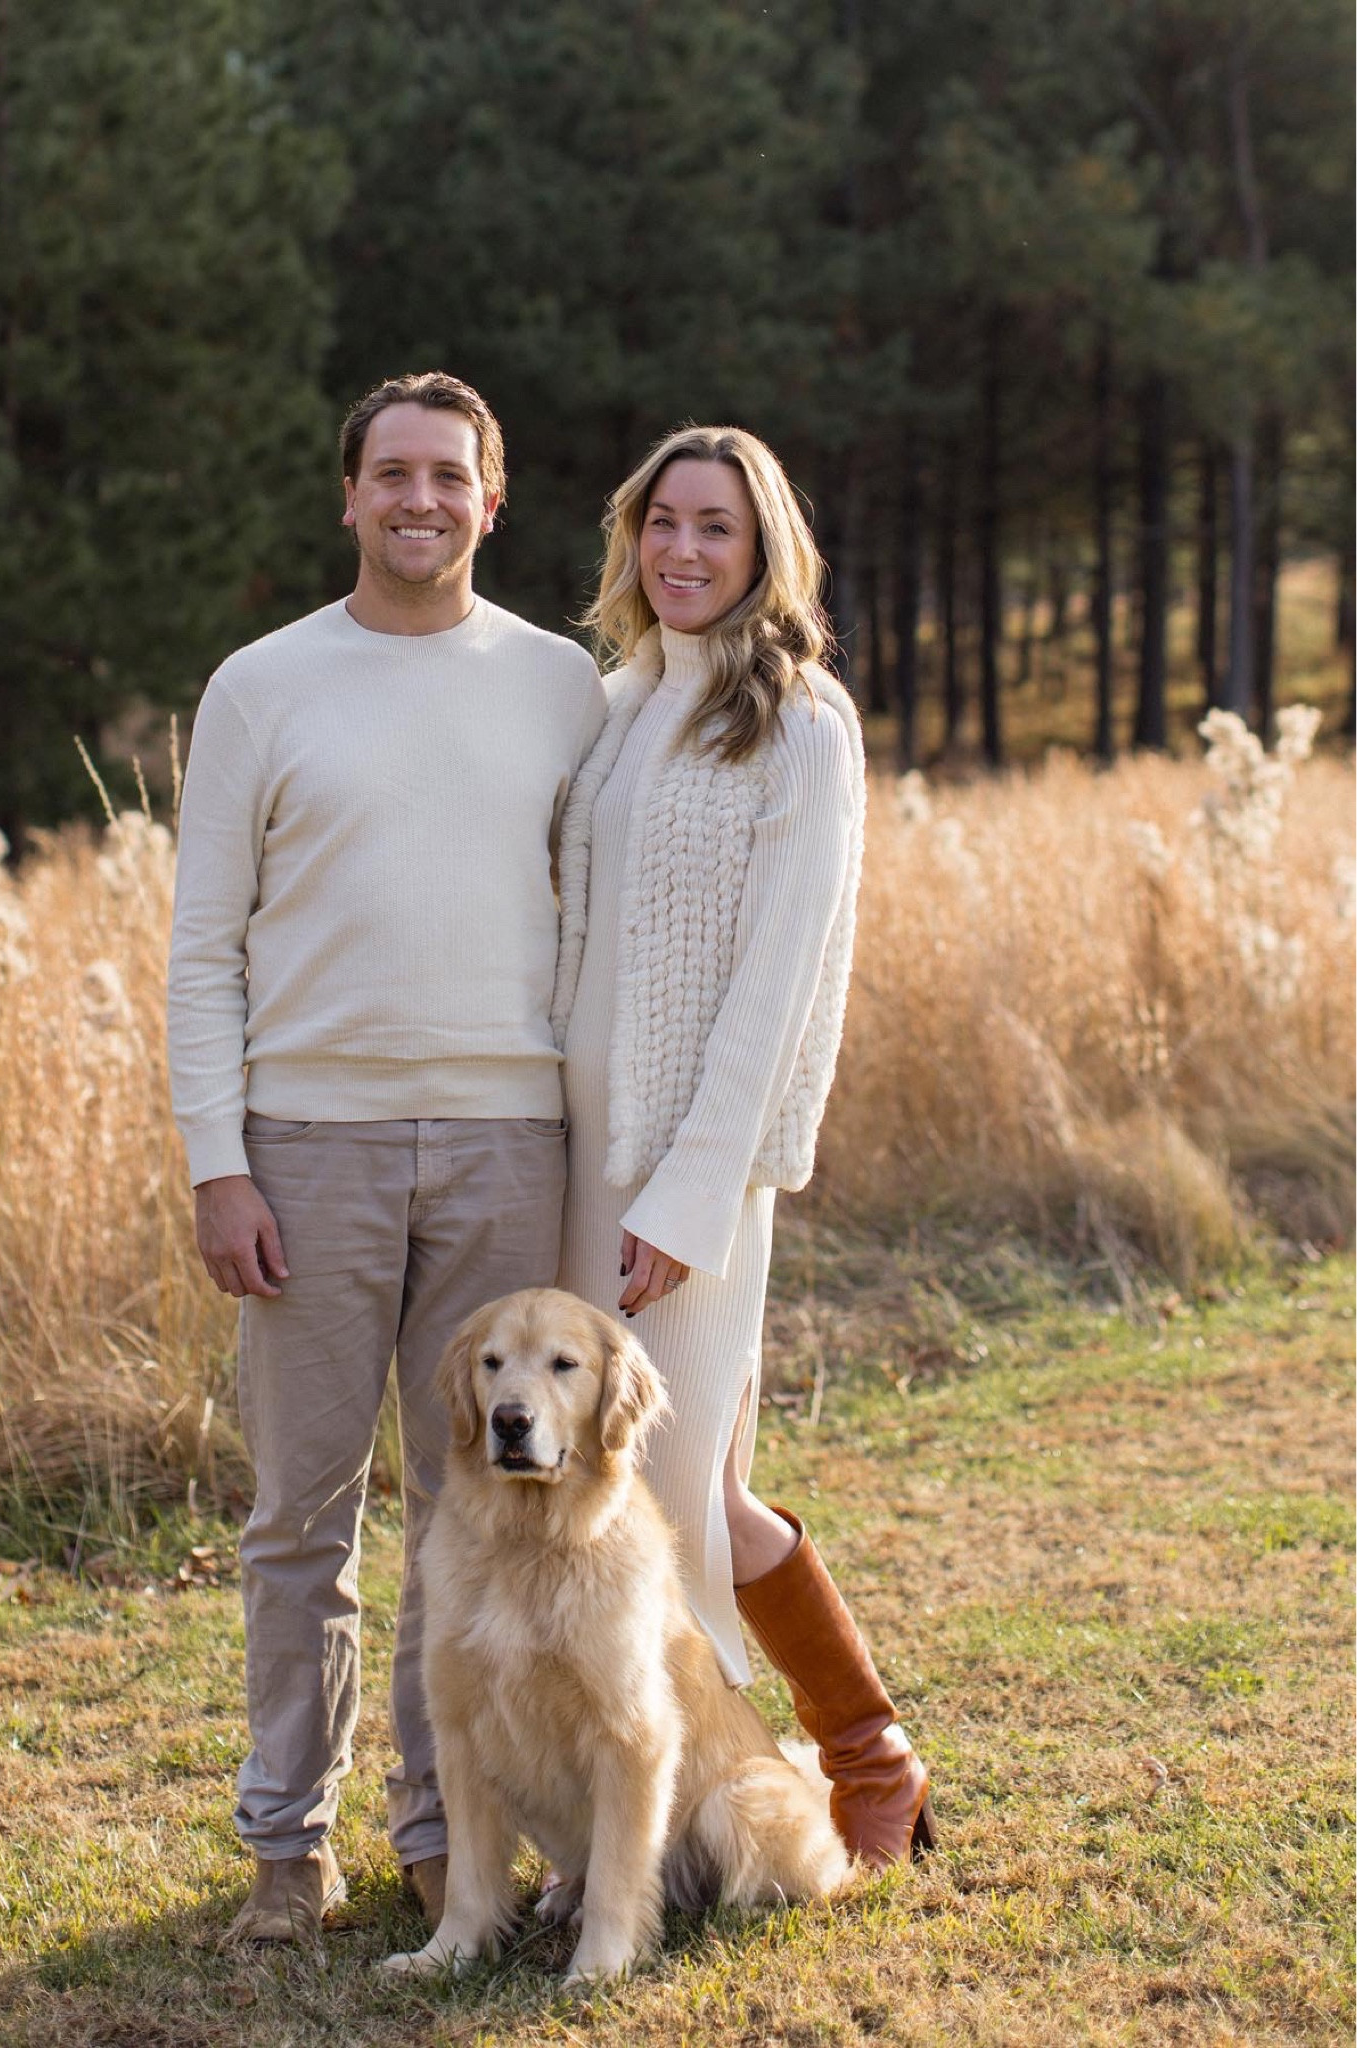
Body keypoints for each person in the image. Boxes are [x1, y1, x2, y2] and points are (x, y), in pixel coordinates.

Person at [167, 371, 607, 1944]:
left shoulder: (567, 685)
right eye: (391, 474)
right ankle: (286, 1847)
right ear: (347, 495)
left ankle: (443, 1834)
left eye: (449, 478)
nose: (419, 501)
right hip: (305, 1152)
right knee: (300, 1520)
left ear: (494, 504)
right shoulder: (262, 686)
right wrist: (219, 1160)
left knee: (470, 1514)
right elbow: (202, 945)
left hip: (506, 1144)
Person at [551, 424, 934, 1867]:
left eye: (715, 527)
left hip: (680, 1169)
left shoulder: (800, 720)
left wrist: (692, 1191)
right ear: (630, 542)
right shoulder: (615, 701)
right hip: (573, 1151)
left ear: (763, 548)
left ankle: (835, 1767)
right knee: (620, 1487)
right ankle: (780, 1776)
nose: (683, 552)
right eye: (662, 524)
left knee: (677, 1493)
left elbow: (776, 986)